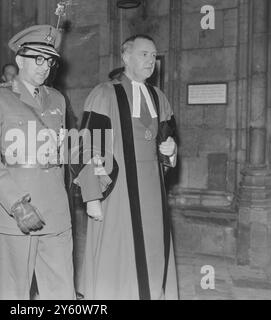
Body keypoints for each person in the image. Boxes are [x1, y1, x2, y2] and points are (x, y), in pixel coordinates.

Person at [72, 34, 178, 300]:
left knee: (154, 247)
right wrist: (92, 195)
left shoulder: (159, 96)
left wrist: (171, 150)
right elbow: (90, 145)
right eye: (144, 54)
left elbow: (167, 138)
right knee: (118, 253)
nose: (151, 61)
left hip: (153, 190)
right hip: (118, 190)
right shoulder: (104, 94)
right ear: (125, 57)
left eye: (154, 56)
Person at [0, 24, 75, 300]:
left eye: (50, 60)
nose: (46, 66)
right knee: (15, 290)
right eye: (38, 58)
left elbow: (63, 150)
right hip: (17, 211)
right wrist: (17, 203)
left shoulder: (57, 99)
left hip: (55, 208)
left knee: (61, 289)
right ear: (20, 59)